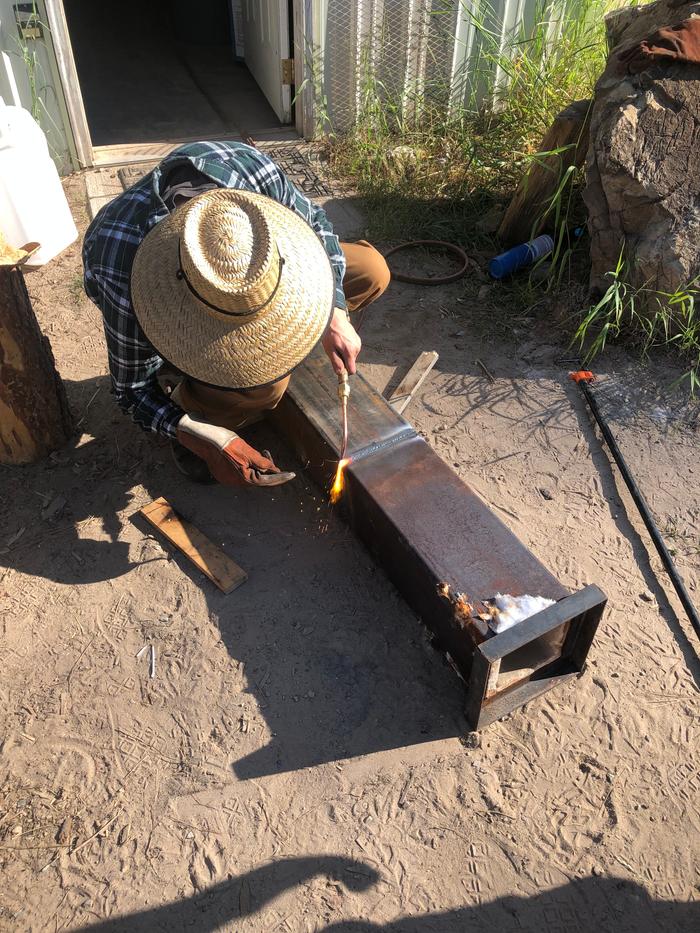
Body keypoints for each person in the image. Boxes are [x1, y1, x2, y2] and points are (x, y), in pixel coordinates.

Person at [83, 141, 390, 487]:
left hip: (251, 280)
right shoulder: (122, 265)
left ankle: (275, 348)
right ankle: (199, 401)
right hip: (182, 326)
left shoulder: (245, 170)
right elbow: (132, 390)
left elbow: (315, 221)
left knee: (370, 270)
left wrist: (334, 310)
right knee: (264, 387)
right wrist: (201, 435)